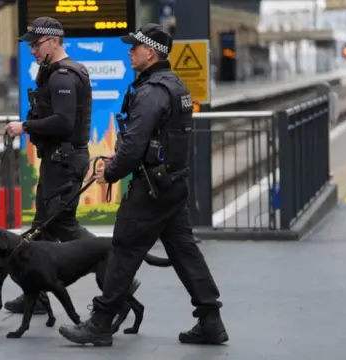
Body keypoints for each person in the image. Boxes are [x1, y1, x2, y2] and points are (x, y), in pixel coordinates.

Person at [57, 24, 229, 347]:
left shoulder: (150, 92)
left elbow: (135, 147)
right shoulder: (175, 86)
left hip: (151, 190)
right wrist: (120, 157)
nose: (129, 51)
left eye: (134, 47)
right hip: (173, 185)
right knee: (185, 252)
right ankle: (211, 320)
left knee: (123, 249)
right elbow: (153, 141)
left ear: (150, 52)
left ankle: (101, 321)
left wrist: (109, 172)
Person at [4, 16, 95, 314]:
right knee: (41, 229)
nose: (32, 50)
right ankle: (38, 296)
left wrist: (25, 126)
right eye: (30, 44)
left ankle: (113, 263)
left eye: (36, 43)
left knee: (61, 224)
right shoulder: (60, 73)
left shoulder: (62, 77)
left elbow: (63, 121)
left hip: (64, 161)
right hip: (59, 160)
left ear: (54, 41)